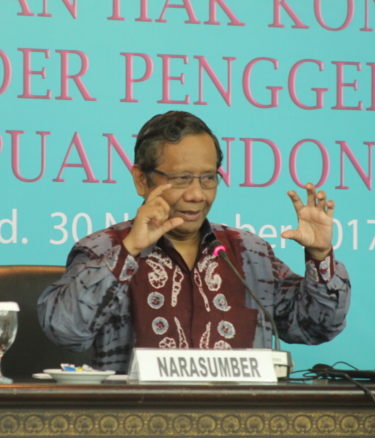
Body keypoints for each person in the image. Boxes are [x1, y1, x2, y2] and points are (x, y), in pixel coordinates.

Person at [37, 111, 351, 373]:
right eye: (182, 179)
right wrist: (129, 250)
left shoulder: (249, 252)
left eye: (208, 178)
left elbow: (315, 327)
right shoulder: (103, 249)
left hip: (242, 423)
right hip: (137, 423)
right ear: (141, 180)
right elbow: (65, 331)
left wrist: (320, 255)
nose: (197, 195)